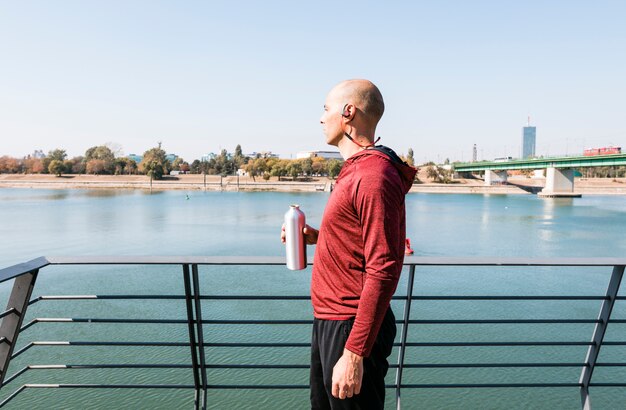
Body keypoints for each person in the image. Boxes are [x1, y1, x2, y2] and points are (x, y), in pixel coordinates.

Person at [282, 79, 416, 409]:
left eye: (326, 109)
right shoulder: (357, 170)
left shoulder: (373, 176)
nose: (321, 118)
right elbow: (359, 239)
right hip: (333, 321)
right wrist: (318, 237)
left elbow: (384, 267)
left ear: (347, 112)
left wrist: (355, 353)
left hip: (350, 326)